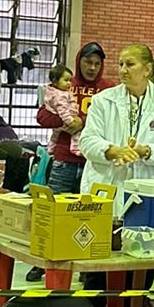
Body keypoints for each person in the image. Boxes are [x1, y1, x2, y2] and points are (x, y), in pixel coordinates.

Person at [80, 45, 154, 307]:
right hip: (106, 192)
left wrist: (146, 151)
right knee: (98, 272)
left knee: (140, 274)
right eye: (121, 64)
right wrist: (112, 150)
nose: (123, 70)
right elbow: (87, 141)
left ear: (148, 69)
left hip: (148, 198)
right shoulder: (104, 101)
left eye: (130, 64)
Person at [36, 41, 109, 195]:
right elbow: (42, 117)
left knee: (88, 213)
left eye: (97, 63)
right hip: (64, 161)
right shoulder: (65, 84)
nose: (92, 68)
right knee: (55, 210)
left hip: (95, 163)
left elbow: (112, 120)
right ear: (78, 61)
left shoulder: (109, 89)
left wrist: (82, 122)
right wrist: (66, 120)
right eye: (88, 62)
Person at [42, 62, 83, 156]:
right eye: (66, 80)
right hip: (66, 121)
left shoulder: (51, 91)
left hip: (57, 123)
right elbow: (62, 110)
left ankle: (50, 149)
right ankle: (75, 148)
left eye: (70, 80)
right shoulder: (60, 95)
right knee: (76, 132)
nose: (69, 83)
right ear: (55, 81)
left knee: (54, 136)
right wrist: (70, 121)